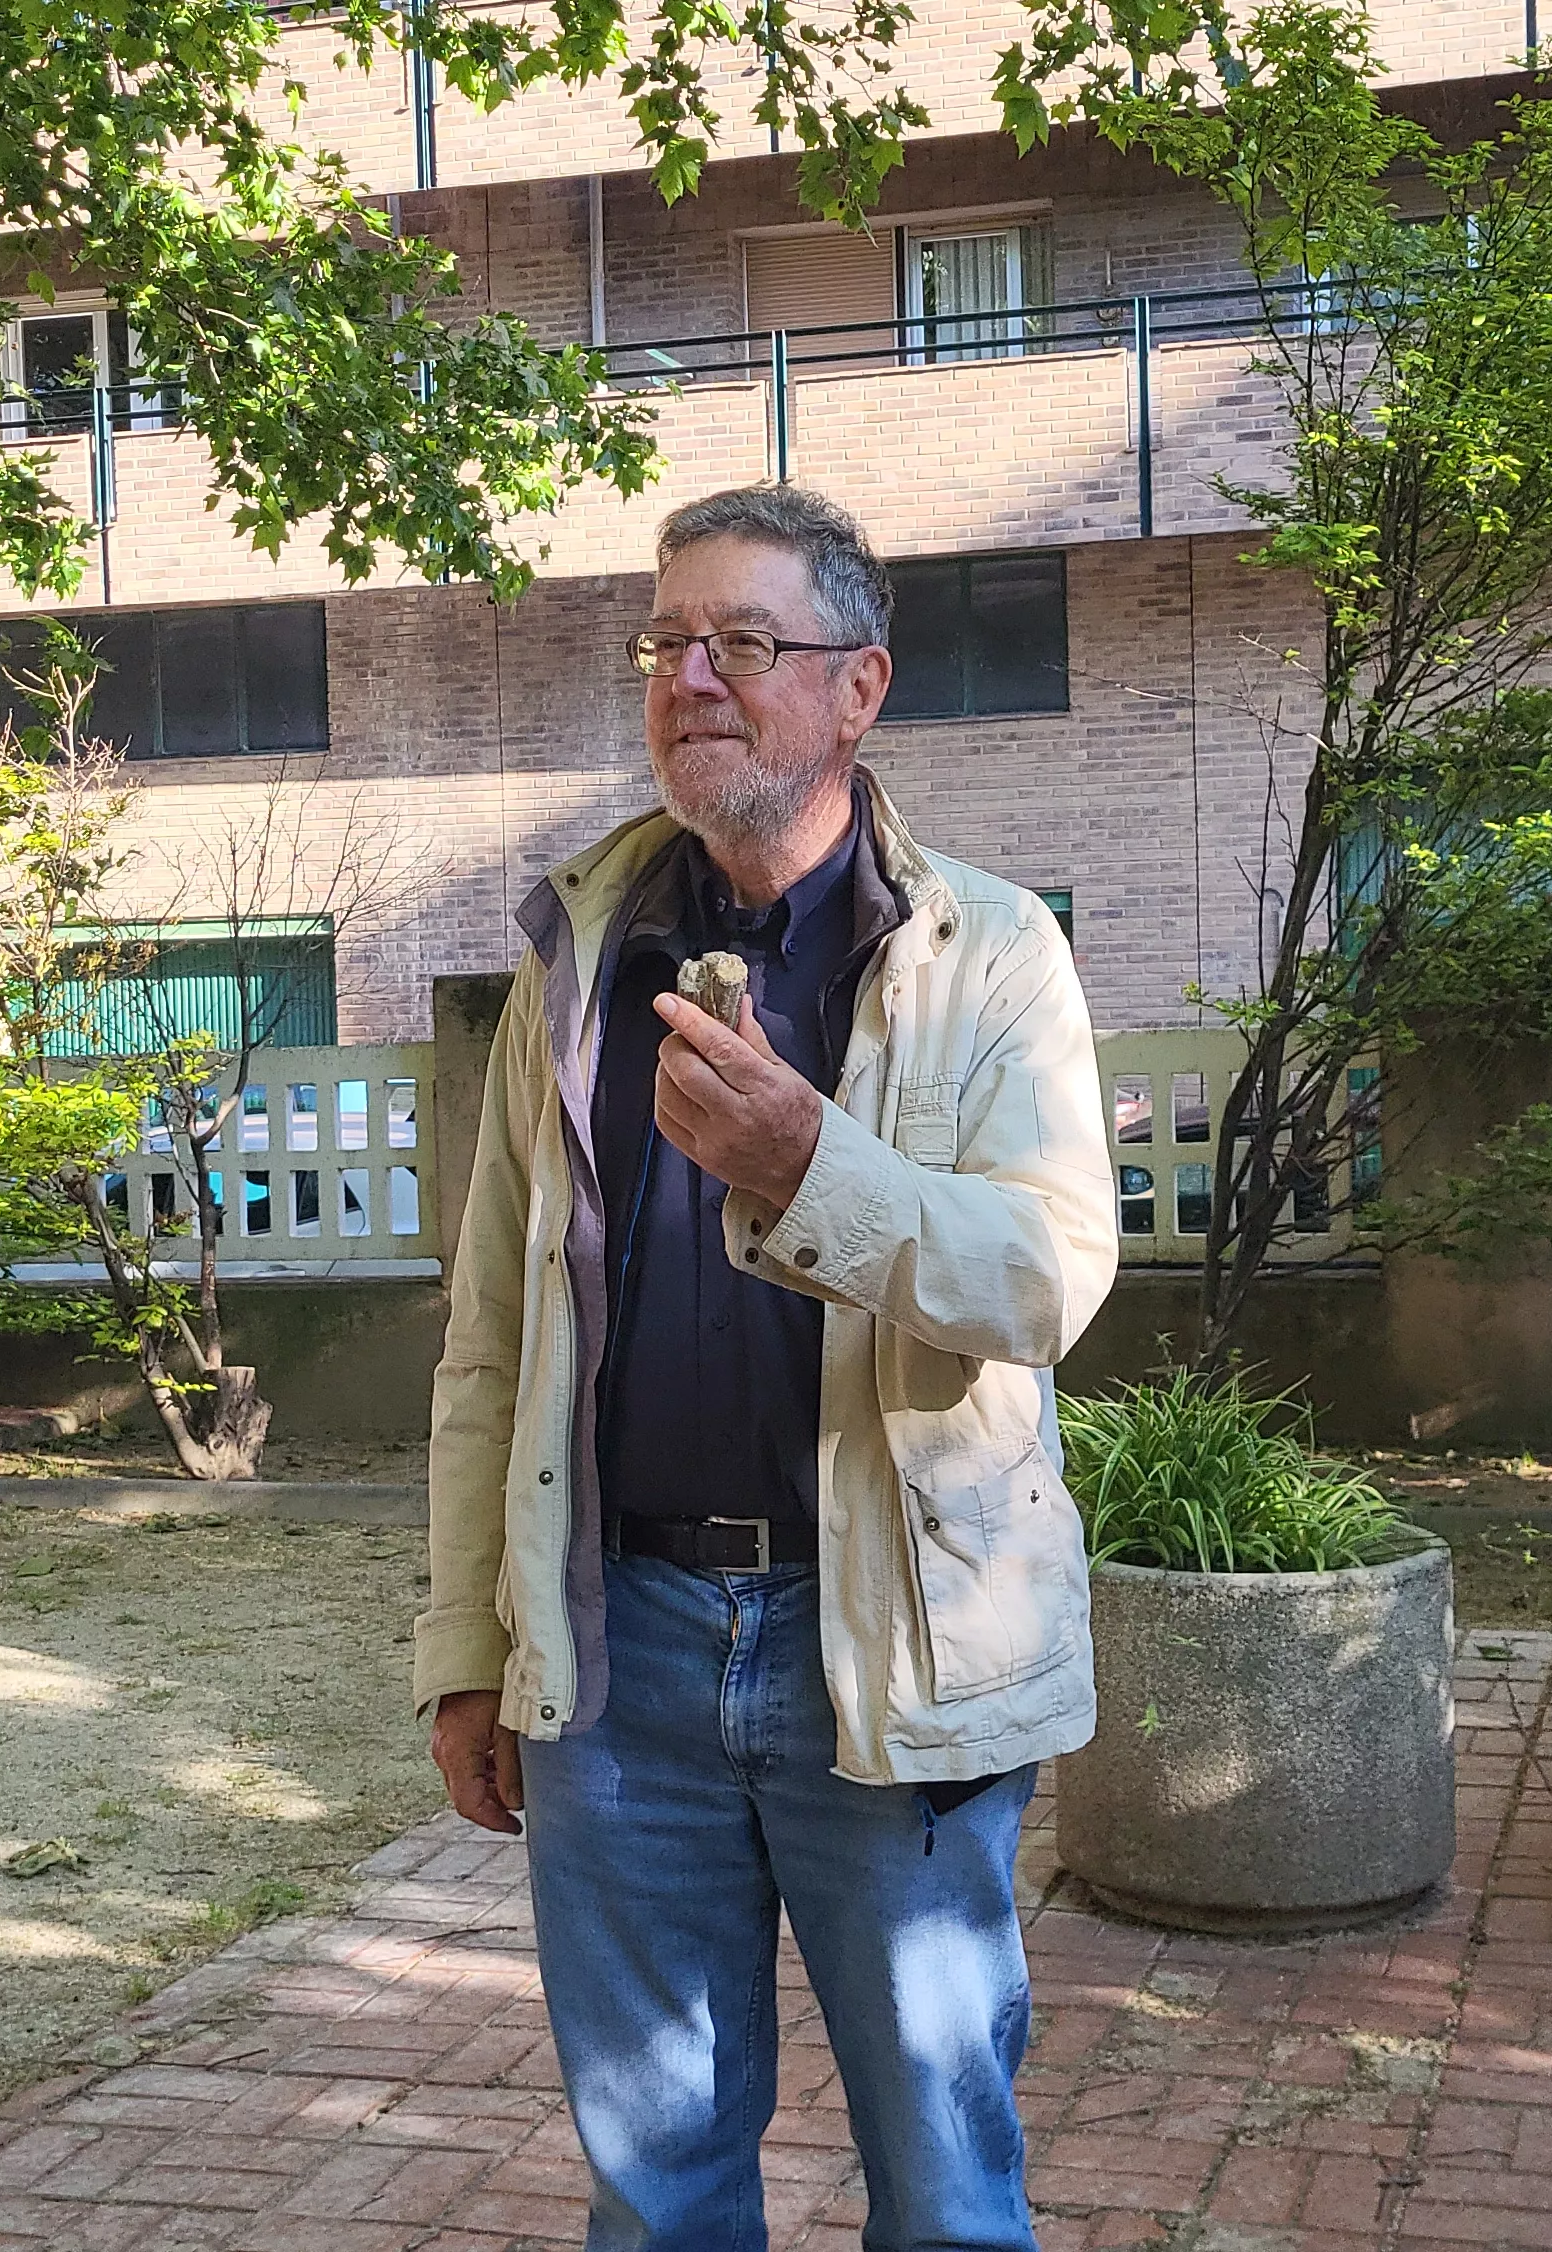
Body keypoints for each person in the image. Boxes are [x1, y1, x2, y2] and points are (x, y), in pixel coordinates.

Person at [418, 483, 1117, 2251]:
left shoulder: (988, 953)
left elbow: (1047, 1277)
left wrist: (818, 1174)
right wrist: (464, 1647)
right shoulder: (577, 967)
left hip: (889, 1647)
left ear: (859, 688)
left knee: (948, 2192)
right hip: (622, 1654)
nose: (694, 679)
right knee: (655, 2195)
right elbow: (491, 1338)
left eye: (746, 641)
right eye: (668, 643)